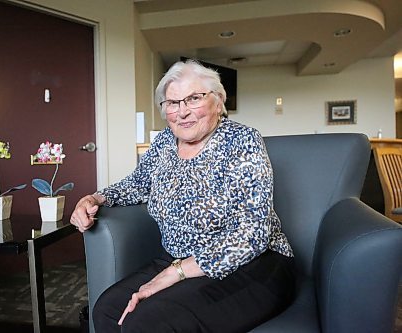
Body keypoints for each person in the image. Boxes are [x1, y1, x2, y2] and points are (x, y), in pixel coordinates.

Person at [70, 60, 295, 332]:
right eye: (172, 103)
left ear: (218, 100)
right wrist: (95, 198)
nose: (182, 111)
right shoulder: (165, 142)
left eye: (194, 99)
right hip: (176, 260)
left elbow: (253, 232)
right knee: (107, 309)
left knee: (149, 322)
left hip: (252, 266)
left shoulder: (242, 140)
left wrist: (175, 274)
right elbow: (138, 183)